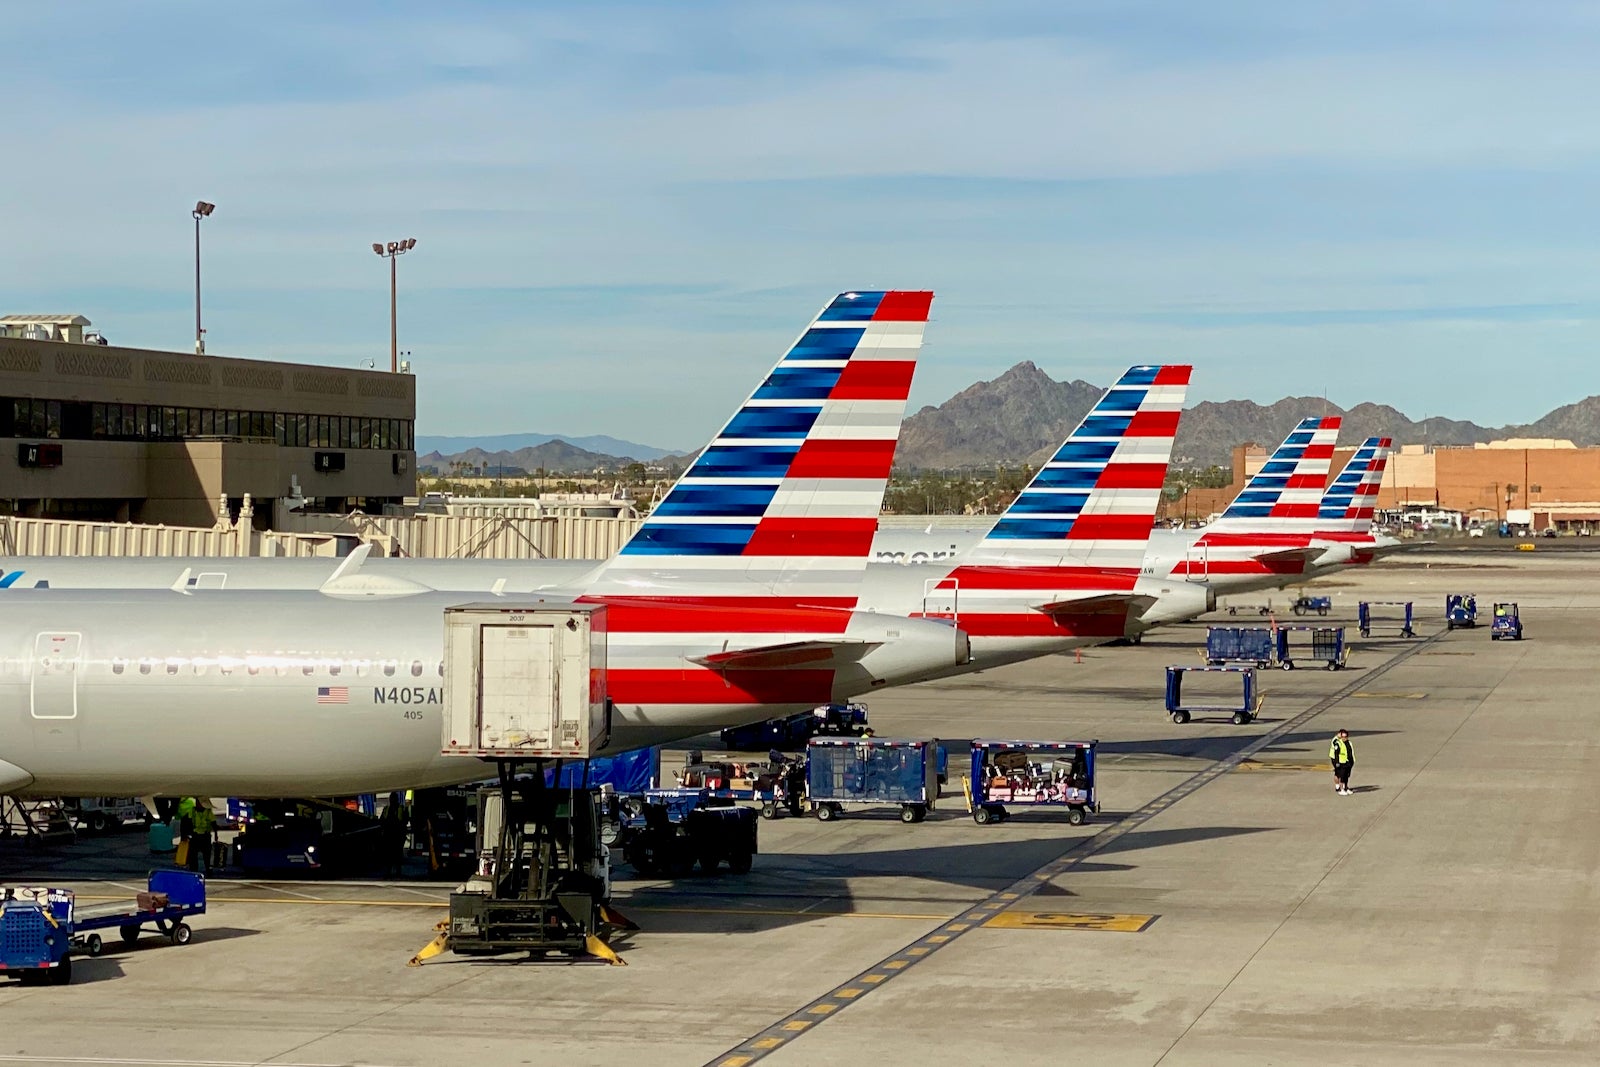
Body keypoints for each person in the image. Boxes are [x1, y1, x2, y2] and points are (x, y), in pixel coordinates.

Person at [1329, 729, 1355, 796]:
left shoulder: (1349, 742)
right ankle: (1339, 787)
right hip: (1336, 759)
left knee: (1346, 775)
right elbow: (1336, 752)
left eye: (1345, 736)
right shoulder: (1336, 741)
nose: (1343, 738)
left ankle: (1345, 787)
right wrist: (1337, 763)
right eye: (1342, 736)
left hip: (1347, 761)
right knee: (1339, 774)